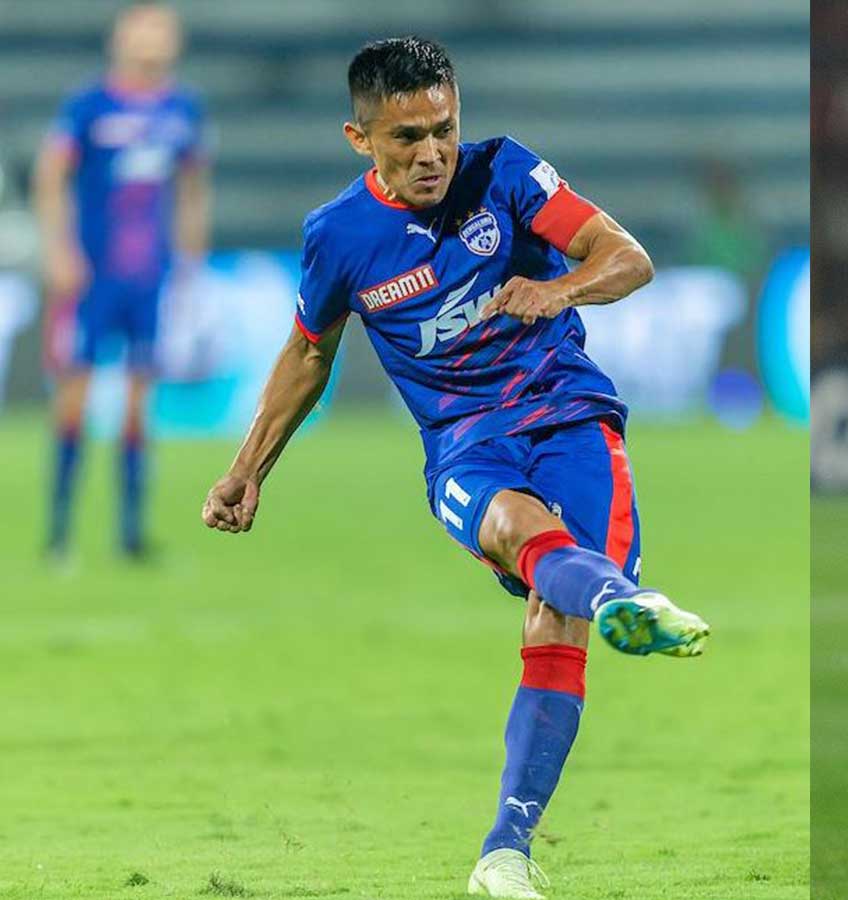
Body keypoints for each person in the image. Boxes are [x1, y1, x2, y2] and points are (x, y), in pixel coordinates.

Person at [199, 37, 709, 900]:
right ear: (361, 139)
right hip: (465, 444)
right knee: (516, 532)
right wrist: (250, 467)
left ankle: (504, 853)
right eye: (407, 137)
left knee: (556, 611)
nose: (433, 152)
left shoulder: (506, 173)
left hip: (567, 414)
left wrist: (557, 288)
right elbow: (309, 351)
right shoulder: (339, 236)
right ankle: (622, 601)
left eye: (444, 128)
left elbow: (627, 256)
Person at [35, 2, 210, 559]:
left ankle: (131, 534)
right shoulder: (89, 104)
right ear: (121, 37)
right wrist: (59, 249)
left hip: (148, 275)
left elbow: (192, 187)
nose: (154, 40)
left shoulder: (182, 108)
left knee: (139, 401)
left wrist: (190, 259)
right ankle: (59, 530)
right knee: (74, 395)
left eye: (163, 31)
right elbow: (50, 175)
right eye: (145, 29)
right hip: (92, 275)